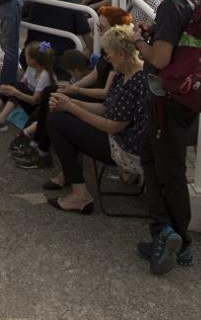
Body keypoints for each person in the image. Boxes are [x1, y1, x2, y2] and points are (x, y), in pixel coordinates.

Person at [136, 0, 201, 275]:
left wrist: (135, 41)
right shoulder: (195, 0)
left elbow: (160, 58)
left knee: (168, 170)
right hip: (181, 99)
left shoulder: (172, 6)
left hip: (166, 100)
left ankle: (177, 239)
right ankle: (166, 230)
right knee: (154, 158)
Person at [41, 25, 151, 215]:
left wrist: (73, 108)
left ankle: (79, 194)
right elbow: (106, 108)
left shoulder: (136, 80)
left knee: (57, 121)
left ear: (121, 54)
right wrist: (70, 102)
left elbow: (112, 126)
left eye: (109, 54)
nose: (107, 59)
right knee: (60, 116)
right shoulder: (125, 73)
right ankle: (73, 181)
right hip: (121, 141)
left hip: (127, 150)